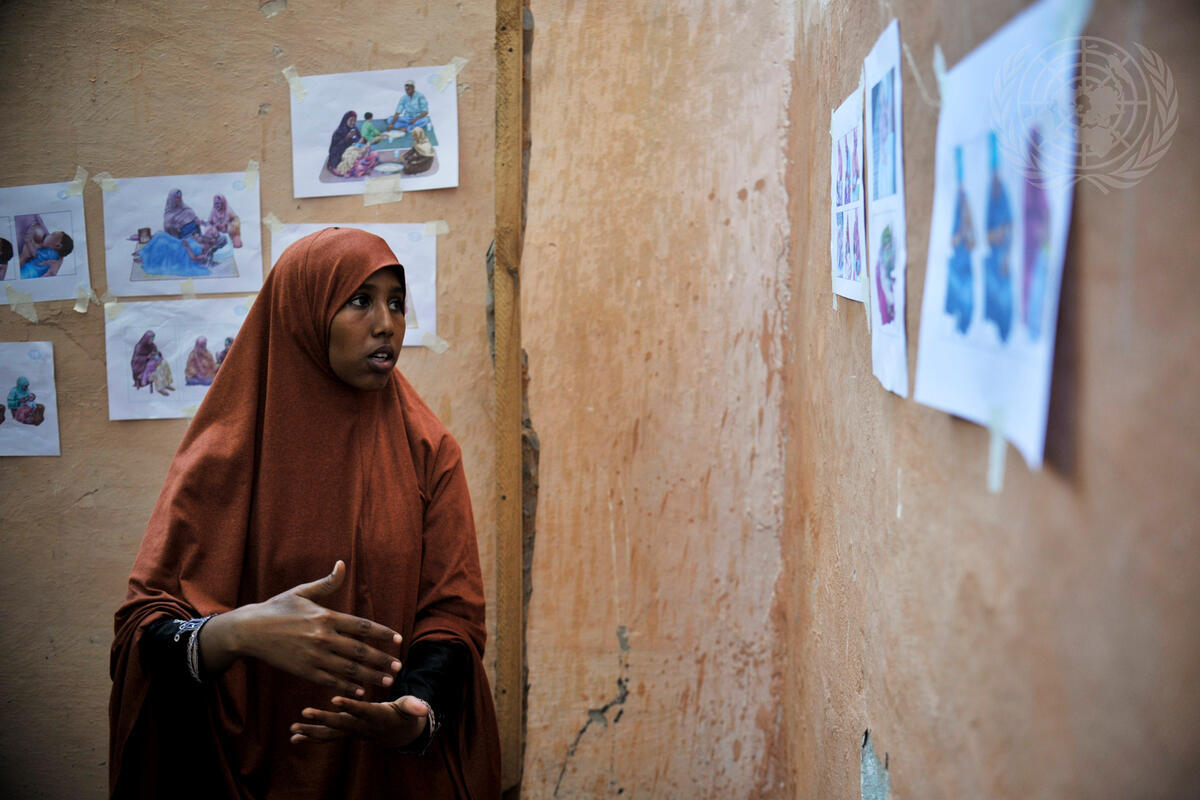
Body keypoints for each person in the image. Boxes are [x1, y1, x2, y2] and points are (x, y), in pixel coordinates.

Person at [109, 228, 500, 799]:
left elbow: (452, 617)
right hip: (236, 769)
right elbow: (144, 633)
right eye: (360, 300)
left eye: (396, 302)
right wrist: (239, 632)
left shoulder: (428, 451)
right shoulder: (225, 454)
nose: (386, 323)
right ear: (302, 312)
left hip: (382, 773)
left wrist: (413, 711)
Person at [327, 111, 380, 177]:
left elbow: (360, 142)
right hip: (343, 159)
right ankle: (357, 169)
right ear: (346, 120)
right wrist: (346, 138)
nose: (353, 122)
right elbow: (333, 150)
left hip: (356, 154)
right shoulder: (338, 132)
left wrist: (365, 146)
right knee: (358, 167)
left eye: (355, 120)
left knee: (374, 154)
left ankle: (361, 166)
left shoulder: (355, 129)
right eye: (351, 120)